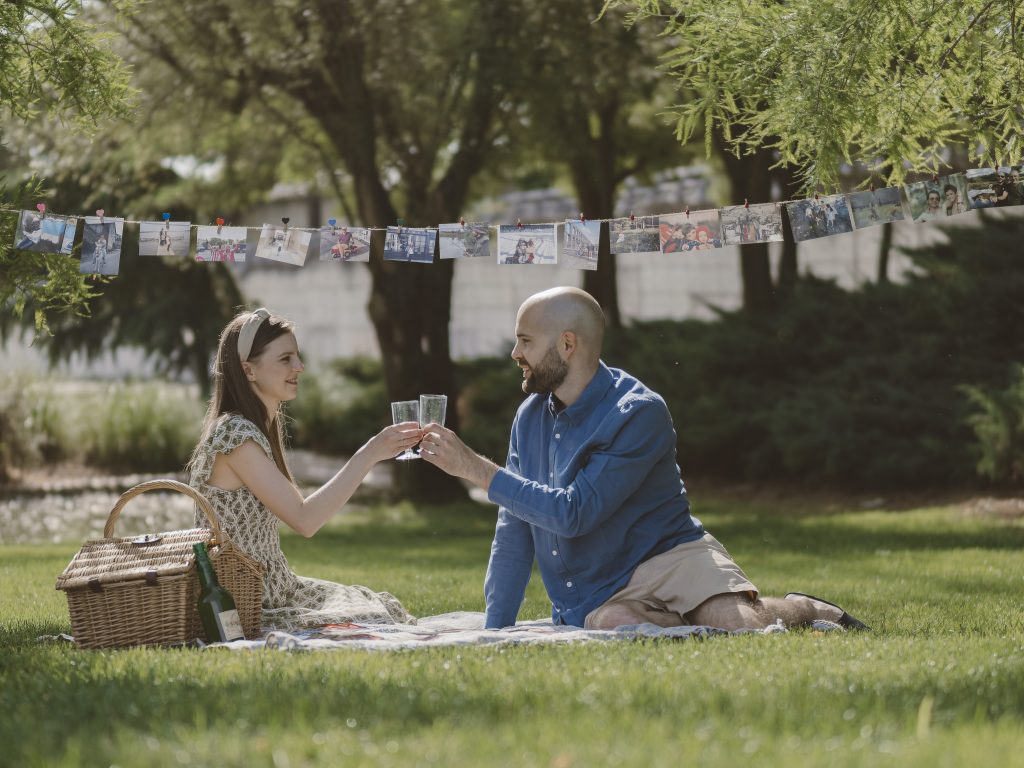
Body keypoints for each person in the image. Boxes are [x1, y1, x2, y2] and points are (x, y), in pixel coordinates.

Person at [418, 287, 869, 633]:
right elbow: (514, 527)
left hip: (670, 556)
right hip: (602, 587)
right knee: (623, 629)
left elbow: (576, 512)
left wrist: (473, 468)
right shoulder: (529, 416)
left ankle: (805, 607)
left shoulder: (638, 412)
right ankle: (685, 622)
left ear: (567, 345)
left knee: (738, 625)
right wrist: (497, 629)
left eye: (525, 341)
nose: (515, 354)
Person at [186, 308, 422, 630]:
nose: (299, 367)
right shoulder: (234, 436)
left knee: (374, 604)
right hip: (251, 600)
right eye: (285, 359)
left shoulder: (252, 428)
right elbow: (305, 519)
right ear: (249, 371)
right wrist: (370, 454)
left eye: (297, 357)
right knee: (373, 619)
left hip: (279, 588)